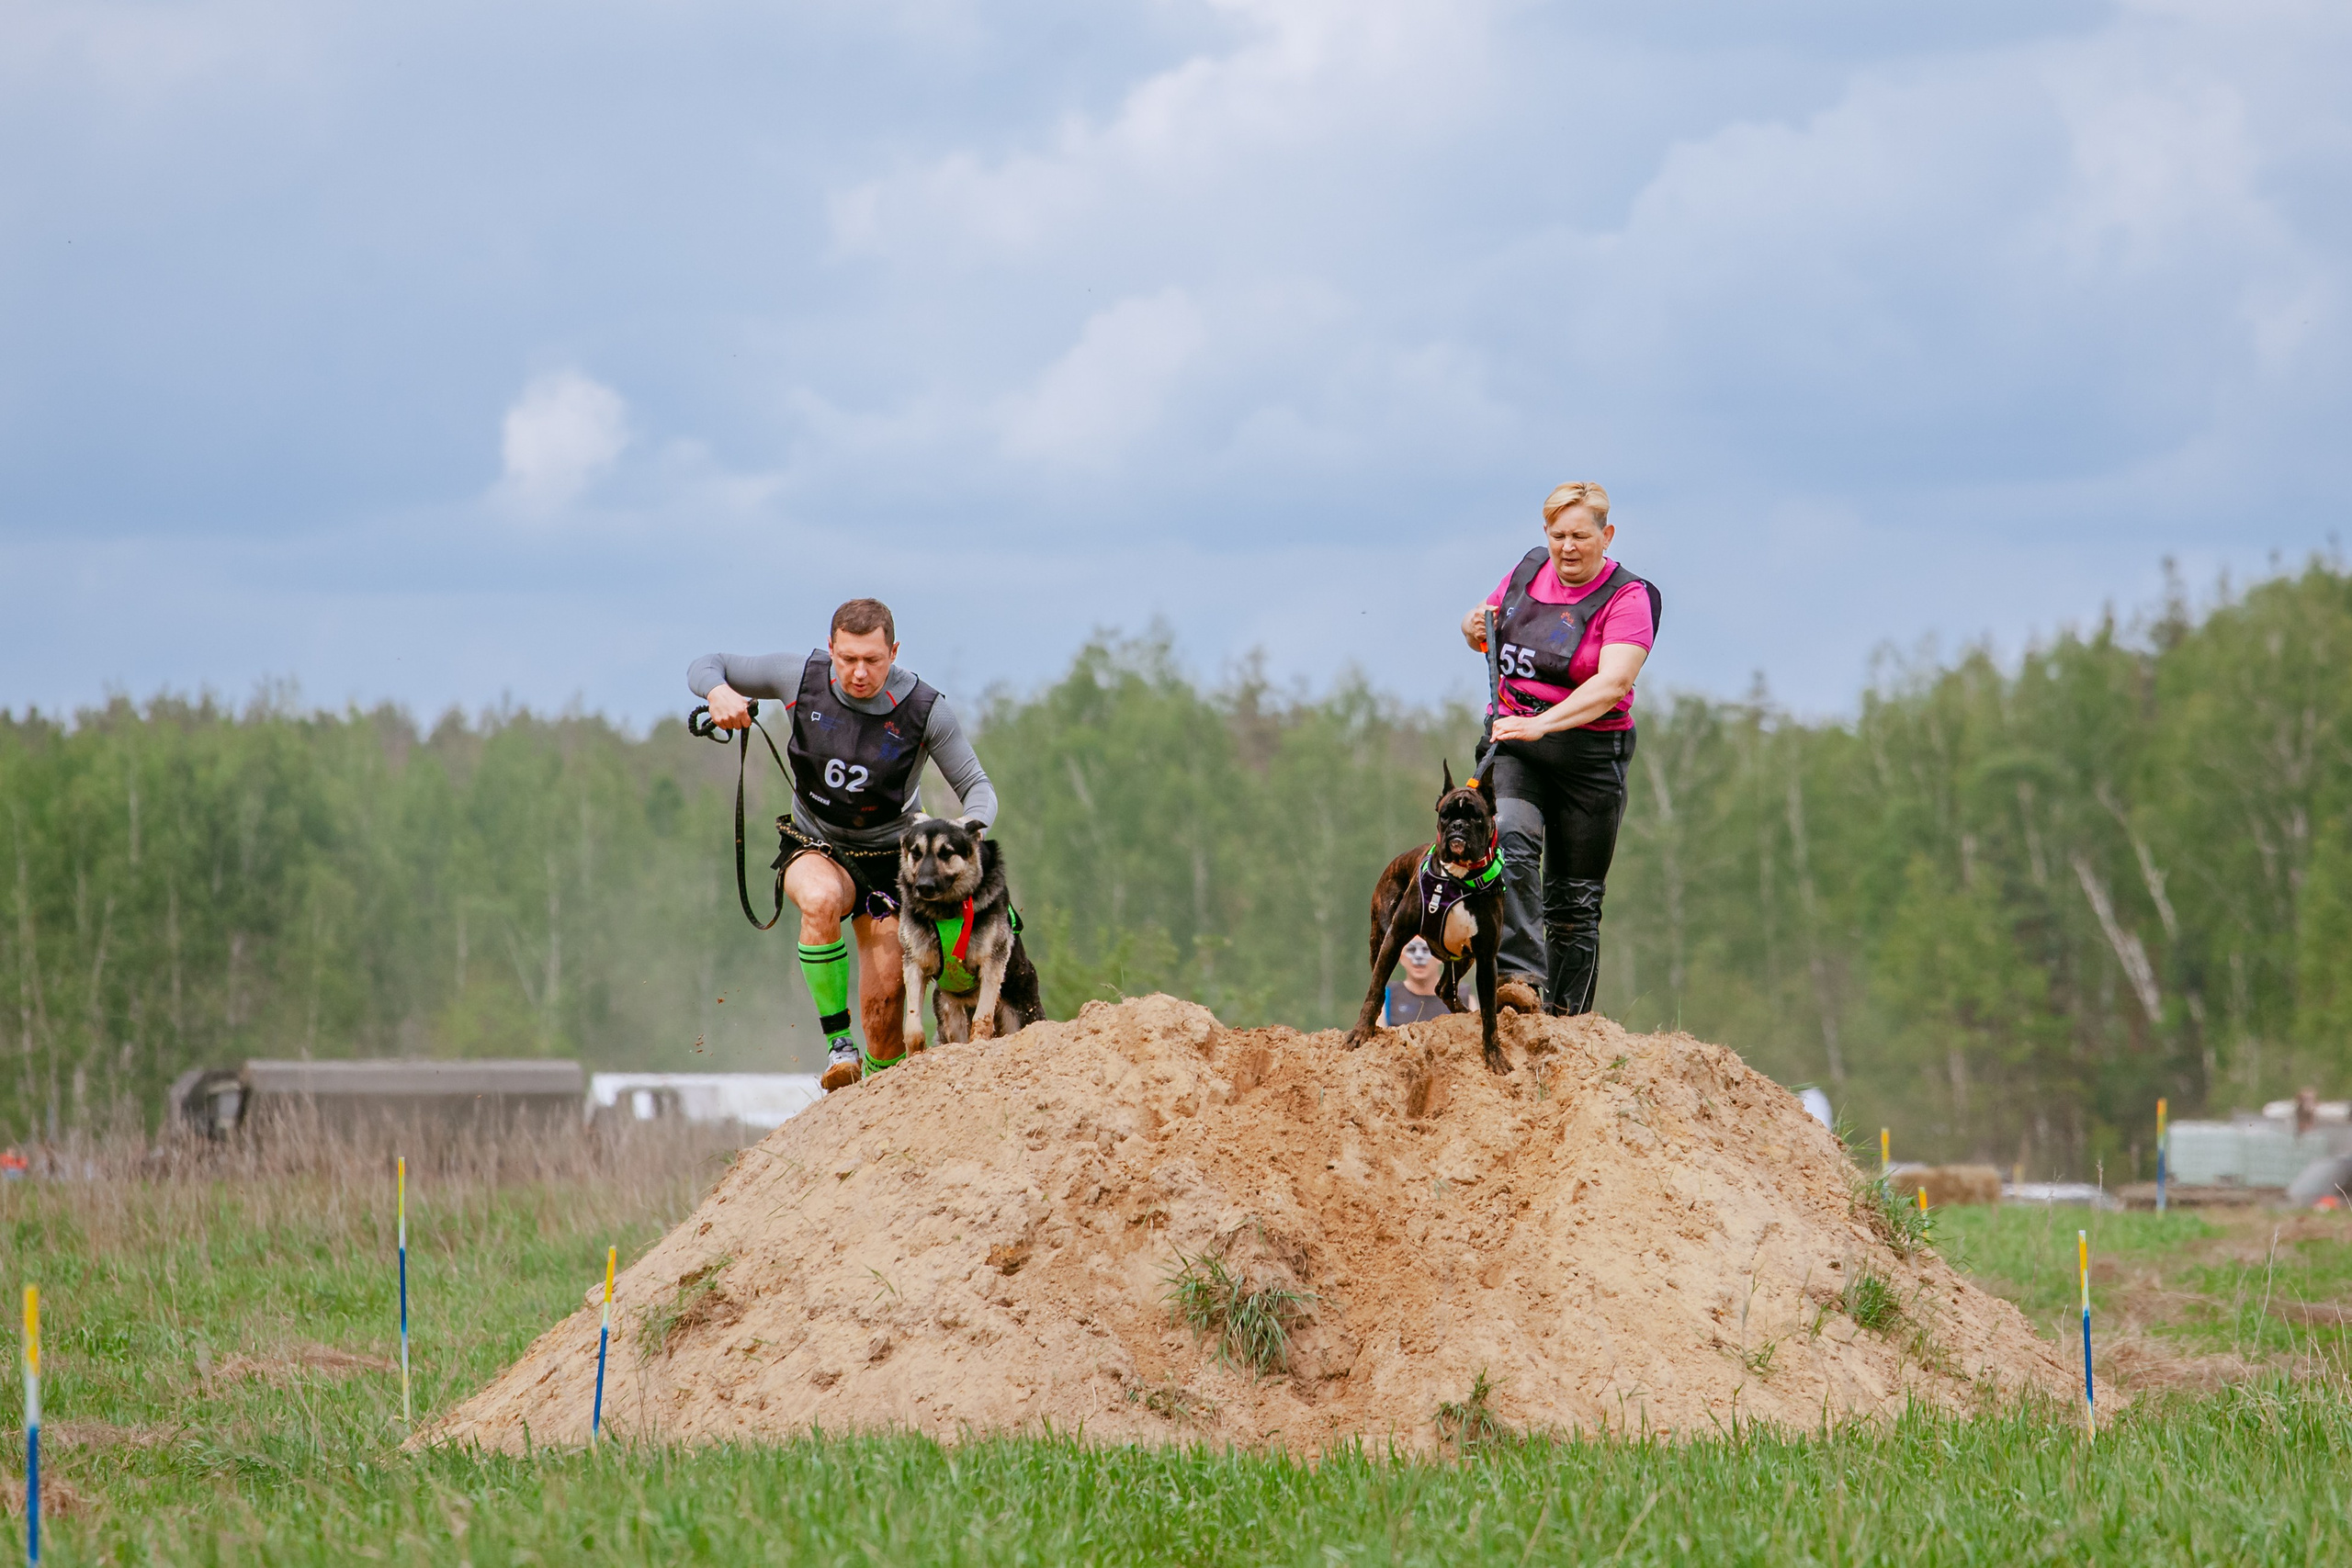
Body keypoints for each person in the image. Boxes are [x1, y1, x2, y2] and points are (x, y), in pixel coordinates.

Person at [689, 599, 1000, 1092]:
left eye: (873, 660)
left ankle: (873, 1106)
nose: (859, 673)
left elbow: (978, 786)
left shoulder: (925, 710)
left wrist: (969, 825)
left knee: (888, 1006)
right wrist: (719, 692)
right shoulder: (798, 675)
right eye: (848, 658)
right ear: (831, 647)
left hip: (890, 866)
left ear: (893, 652)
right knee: (820, 901)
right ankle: (839, 1045)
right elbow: (707, 664)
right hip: (817, 845)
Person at [1460, 481, 1657, 1016]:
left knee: (1574, 902)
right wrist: (1471, 625)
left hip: (1591, 756)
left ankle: (1568, 1025)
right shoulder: (1526, 572)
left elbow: (1613, 683)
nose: (1567, 547)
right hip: (1515, 744)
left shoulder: (1629, 597)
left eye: (1579, 536)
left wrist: (1543, 724)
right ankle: (1517, 982)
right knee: (1513, 839)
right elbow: (1484, 627)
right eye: (1557, 535)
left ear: (1606, 535)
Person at [1381, 936, 1453, 1025]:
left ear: (1440, 956)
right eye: (1411, 950)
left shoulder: (1461, 998)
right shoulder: (1386, 998)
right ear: (1401, 957)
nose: (1418, 957)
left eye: (1426, 950)